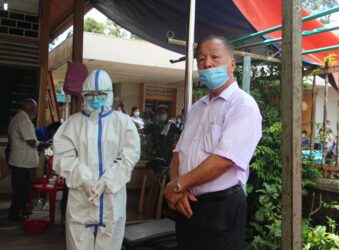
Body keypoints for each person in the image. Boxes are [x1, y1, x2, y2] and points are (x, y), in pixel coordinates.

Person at [163, 35, 262, 250]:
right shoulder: (197, 108)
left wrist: (178, 185)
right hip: (187, 205)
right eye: (201, 59)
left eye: (215, 57)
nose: (207, 63)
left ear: (232, 64)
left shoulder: (243, 106)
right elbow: (179, 153)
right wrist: (178, 188)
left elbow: (224, 160)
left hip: (221, 208)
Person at [53, 69, 140, 250]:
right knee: (78, 243)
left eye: (100, 93)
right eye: (90, 94)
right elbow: (63, 155)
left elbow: (129, 156)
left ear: (109, 94)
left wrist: (106, 181)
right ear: (84, 95)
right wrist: (83, 179)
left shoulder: (123, 123)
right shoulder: (73, 123)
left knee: (110, 243)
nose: (95, 98)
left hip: (111, 197)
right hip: (80, 197)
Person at [7, 98, 49, 222]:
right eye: (35, 109)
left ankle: (16, 211)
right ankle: (15, 215)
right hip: (22, 162)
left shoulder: (16, 118)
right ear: (31, 109)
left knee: (18, 189)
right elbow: (31, 141)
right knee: (21, 190)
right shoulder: (24, 120)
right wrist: (43, 144)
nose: (35, 111)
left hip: (18, 159)